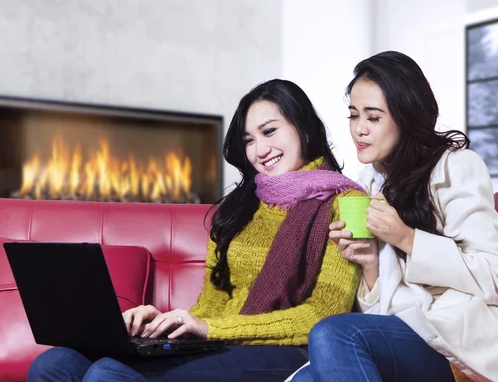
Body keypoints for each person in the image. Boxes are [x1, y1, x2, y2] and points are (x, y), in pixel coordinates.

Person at [27, 79, 364, 382]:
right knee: (56, 363)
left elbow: (324, 315)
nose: (260, 150)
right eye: (249, 139)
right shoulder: (240, 207)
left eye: (270, 131)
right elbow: (212, 306)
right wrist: (163, 323)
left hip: (291, 351)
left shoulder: (344, 202)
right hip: (219, 341)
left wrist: (212, 329)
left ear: (303, 128)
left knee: (108, 373)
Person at [290, 51, 498, 382]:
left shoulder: (457, 167)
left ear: (406, 117)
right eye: (353, 115)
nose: (359, 129)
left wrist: (406, 238)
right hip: (409, 335)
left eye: (373, 118)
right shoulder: (369, 182)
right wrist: (370, 266)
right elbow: (385, 316)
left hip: (460, 347)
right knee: (306, 378)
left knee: (334, 333)